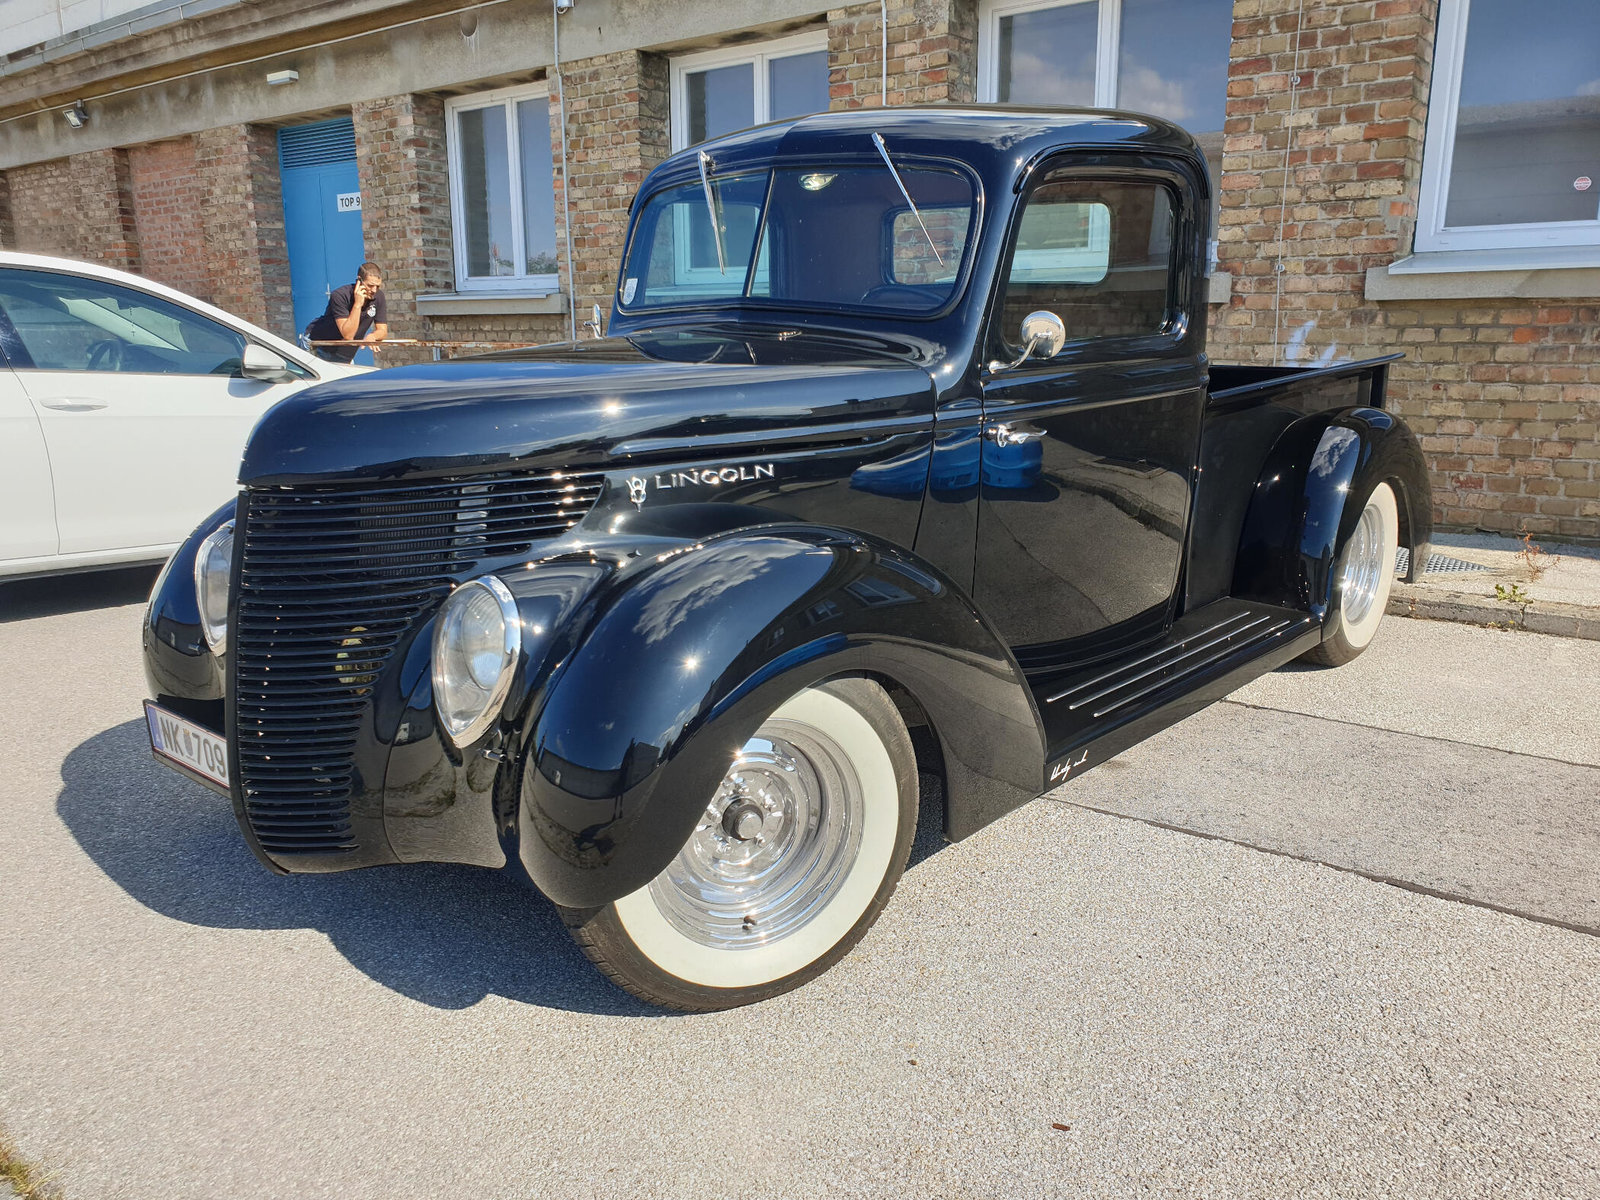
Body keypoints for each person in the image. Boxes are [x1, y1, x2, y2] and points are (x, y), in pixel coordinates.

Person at [307, 262, 388, 363]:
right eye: (370, 285)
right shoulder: (340, 295)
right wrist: (358, 304)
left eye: (378, 286)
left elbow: (383, 330)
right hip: (319, 349)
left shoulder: (379, 297)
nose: (374, 290)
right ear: (359, 280)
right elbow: (348, 335)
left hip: (345, 355)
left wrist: (373, 336)